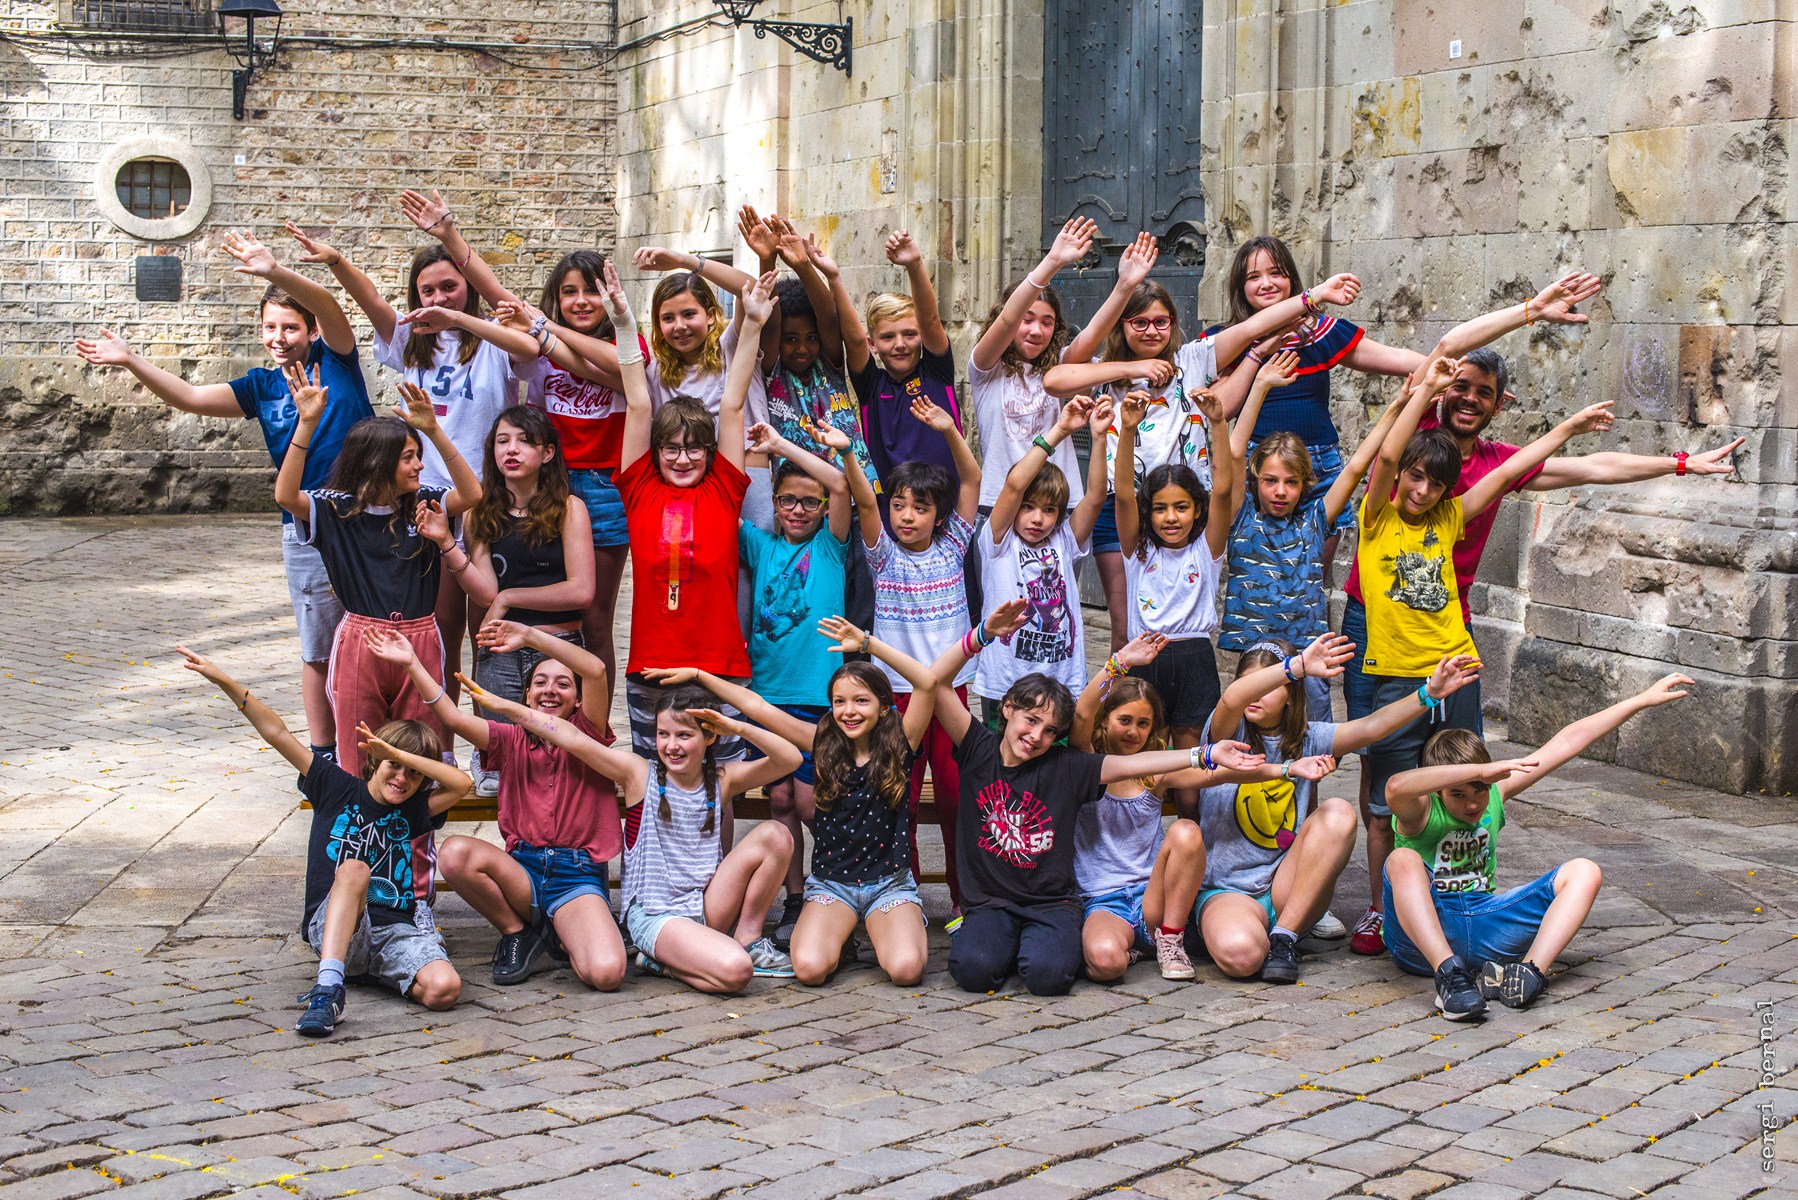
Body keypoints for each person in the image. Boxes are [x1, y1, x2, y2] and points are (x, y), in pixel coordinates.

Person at [1342, 355, 1615, 956]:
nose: (1421, 491)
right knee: (1388, 798)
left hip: (1455, 668)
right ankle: (1384, 909)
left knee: (1467, 779)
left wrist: (1568, 428)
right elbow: (1385, 459)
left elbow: (1510, 471)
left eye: (1434, 485)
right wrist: (1425, 392)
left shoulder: (1449, 519)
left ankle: (1461, 886)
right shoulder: (1377, 517)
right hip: (1396, 678)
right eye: (1414, 478)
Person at [75, 230, 373, 767]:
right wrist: (131, 360)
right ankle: (324, 754)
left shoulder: (337, 360)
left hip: (366, 518)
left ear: (310, 331)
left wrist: (274, 271)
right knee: (318, 648)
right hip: (305, 527)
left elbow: (330, 304)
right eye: (270, 328)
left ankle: (377, 743)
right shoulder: (261, 386)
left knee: (374, 635)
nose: (279, 337)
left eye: (290, 327)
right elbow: (190, 397)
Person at [929, 602, 1264, 996]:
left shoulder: (1069, 766)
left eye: (1050, 730)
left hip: (1053, 904)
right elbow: (936, 683)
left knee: (1049, 977)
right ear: (1007, 709)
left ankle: (1052, 945)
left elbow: (1140, 764)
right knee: (973, 970)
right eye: (1031, 720)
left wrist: (1207, 754)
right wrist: (982, 634)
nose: (1036, 736)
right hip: (995, 903)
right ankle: (1002, 942)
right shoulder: (979, 750)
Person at [1044, 233, 1360, 650]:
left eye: (1161, 322)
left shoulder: (1193, 360)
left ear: (1173, 324)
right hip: (1123, 508)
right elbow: (1055, 379)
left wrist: (1315, 295)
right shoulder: (1106, 372)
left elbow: (1251, 327)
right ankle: (1123, 692)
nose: (1152, 330)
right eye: (1139, 322)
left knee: (1187, 623)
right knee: (1126, 629)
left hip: (1185, 509)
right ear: (1123, 325)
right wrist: (1133, 368)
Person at [284, 210, 529, 724]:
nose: (438, 299)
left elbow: (526, 338)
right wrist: (336, 262)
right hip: (431, 503)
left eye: (449, 287)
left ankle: (491, 746)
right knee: (441, 633)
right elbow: (371, 301)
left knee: (490, 630)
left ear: (468, 289)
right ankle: (442, 744)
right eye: (427, 291)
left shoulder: (492, 339)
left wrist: (461, 308)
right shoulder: (410, 339)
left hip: (489, 498)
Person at [398, 191, 638, 691]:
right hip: (545, 484)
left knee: (593, 620)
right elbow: (495, 293)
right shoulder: (535, 343)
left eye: (591, 291)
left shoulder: (627, 350)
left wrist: (548, 331)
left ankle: (593, 725)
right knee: (521, 606)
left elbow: (620, 371)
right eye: (569, 292)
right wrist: (450, 234)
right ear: (555, 298)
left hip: (605, 488)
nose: (580, 301)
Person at [177, 646, 472, 1038]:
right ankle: (329, 988)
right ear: (374, 759)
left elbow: (462, 784)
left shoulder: (415, 808)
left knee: (444, 990)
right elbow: (277, 733)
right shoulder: (335, 787)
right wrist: (225, 681)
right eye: (393, 765)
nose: (402, 778)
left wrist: (402, 754)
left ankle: (374, 972)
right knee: (354, 869)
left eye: (413, 773)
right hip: (333, 924)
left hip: (395, 932)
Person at [644, 616, 940, 987]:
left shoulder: (901, 742)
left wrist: (867, 644)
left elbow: (927, 683)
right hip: (833, 886)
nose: (849, 711)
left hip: (889, 885)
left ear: (883, 707)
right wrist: (701, 675)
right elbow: (757, 707)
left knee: (906, 970)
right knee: (810, 970)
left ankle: (891, 924)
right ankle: (840, 936)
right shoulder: (822, 743)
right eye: (839, 702)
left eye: (861, 701)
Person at [459, 673, 804, 989]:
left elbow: (790, 759)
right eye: (663, 734)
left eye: (684, 735)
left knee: (776, 835)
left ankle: (747, 938)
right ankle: (663, 963)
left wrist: (737, 727)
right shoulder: (639, 774)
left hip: (705, 904)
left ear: (709, 736)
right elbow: (571, 738)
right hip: (656, 915)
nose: (671, 745)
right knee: (736, 972)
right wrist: (506, 707)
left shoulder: (723, 779)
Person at [1383, 674, 1692, 1019]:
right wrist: (1478, 772)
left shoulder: (1496, 792)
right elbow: (1395, 787)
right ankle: (1450, 978)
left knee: (1584, 871)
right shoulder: (1421, 810)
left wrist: (1639, 700)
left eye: (1479, 791)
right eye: (1459, 794)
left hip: (1486, 923)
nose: (1472, 804)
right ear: (1439, 791)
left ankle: (1527, 974)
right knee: (1401, 859)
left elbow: (1567, 742)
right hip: (1424, 938)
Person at [1197, 635, 1480, 984]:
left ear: (1290, 697)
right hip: (1230, 889)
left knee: (1339, 813)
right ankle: (1244, 930)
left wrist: (1428, 694)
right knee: (1242, 957)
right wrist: (1298, 666)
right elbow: (1231, 699)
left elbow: (1373, 727)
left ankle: (1284, 937)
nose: (1254, 695)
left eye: (1268, 687)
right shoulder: (1227, 732)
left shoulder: (1309, 737)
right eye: (1248, 684)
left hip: (1288, 888)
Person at [367, 622, 625, 991]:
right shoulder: (508, 738)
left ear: (579, 700)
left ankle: (563, 931)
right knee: (454, 852)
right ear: (526, 695)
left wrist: (531, 637)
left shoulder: (589, 732)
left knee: (605, 974)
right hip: (524, 872)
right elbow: (451, 717)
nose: (550, 690)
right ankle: (518, 931)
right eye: (540, 682)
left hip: (576, 877)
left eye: (563, 684)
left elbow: (596, 670)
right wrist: (411, 663)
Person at [273, 374, 483, 783]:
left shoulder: (426, 503)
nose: (419, 465)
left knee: (419, 748)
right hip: (361, 640)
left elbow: (472, 494)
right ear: (377, 462)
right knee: (358, 750)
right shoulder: (334, 509)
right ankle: (358, 822)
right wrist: (306, 424)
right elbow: (285, 496)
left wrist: (434, 431)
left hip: (420, 637)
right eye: (409, 457)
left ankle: (416, 826)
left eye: (418, 455)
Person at [613, 266, 777, 774]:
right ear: (655, 452)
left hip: (719, 666)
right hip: (651, 666)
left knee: (721, 785)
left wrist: (752, 325)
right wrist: (622, 322)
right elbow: (638, 402)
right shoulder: (640, 490)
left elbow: (732, 404)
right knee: (653, 783)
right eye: (670, 449)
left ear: (710, 453)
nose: (682, 459)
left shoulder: (723, 490)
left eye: (693, 449)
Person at [1068, 635, 1304, 982]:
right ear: (1104, 721)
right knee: (1106, 964)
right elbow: (1082, 712)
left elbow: (1221, 774)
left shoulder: (1155, 771)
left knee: (1186, 831)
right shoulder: (1086, 764)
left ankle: (1170, 939)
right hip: (1105, 900)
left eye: (1143, 724)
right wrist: (1118, 663)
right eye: (1124, 720)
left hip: (1153, 898)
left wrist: (1285, 769)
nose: (1133, 731)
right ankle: (1126, 948)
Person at [830, 405, 982, 915]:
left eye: (920, 507)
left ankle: (965, 903)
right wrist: (848, 454)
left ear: (939, 515)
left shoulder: (954, 544)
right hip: (895, 697)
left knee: (957, 800)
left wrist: (950, 430)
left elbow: (972, 479)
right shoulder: (884, 555)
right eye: (899, 506)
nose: (907, 517)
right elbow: (864, 502)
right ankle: (906, 900)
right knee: (901, 800)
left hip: (950, 695)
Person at [1220, 349, 1404, 721]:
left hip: (1310, 657)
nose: (1280, 491)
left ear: (1305, 484)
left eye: (1291, 482)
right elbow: (1235, 452)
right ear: (1256, 480)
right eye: (1270, 481)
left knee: (1313, 740)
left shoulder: (1315, 520)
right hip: (1254, 660)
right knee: (1251, 740)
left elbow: (1356, 466)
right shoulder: (1241, 517)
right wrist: (1260, 385)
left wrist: (1399, 405)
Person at [734, 420, 853, 945]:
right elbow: (731, 497)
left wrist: (780, 445)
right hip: (768, 698)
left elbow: (842, 484)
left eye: (809, 501)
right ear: (776, 503)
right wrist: (753, 453)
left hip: (817, 698)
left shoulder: (831, 547)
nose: (798, 510)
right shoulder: (760, 544)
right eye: (787, 500)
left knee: (811, 803)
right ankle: (796, 897)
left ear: (823, 507)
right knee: (780, 800)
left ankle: (834, 889)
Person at [448, 405, 595, 797]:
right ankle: (486, 762)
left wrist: (510, 597)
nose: (511, 450)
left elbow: (581, 590)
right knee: (503, 775)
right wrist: (448, 545)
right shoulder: (480, 512)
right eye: (502, 441)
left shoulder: (570, 508)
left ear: (547, 453)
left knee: (558, 770)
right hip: (499, 650)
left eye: (524, 441)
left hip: (556, 645)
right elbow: (485, 591)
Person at [1110, 382, 1235, 817]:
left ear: (1197, 509)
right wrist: (1127, 429)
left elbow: (1223, 490)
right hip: (1146, 656)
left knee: (1190, 760)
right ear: (1149, 512)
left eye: (1181, 507)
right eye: (1160, 508)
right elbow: (1122, 493)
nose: (1170, 517)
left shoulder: (1207, 549)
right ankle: (1138, 838)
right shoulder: (1137, 551)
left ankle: (1190, 835)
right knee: (1144, 757)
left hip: (1195, 657)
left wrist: (1217, 423)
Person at [974, 396, 1112, 718]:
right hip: (1005, 682)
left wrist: (1099, 437)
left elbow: (1095, 497)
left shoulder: (1064, 540)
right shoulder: (998, 541)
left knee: (1055, 748)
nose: (1037, 519)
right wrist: (1060, 430)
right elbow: (1014, 485)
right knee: (1004, 750)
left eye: (1049, 510)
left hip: (1059, 682)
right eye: (1028, 506)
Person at [631, 239, 776, 531]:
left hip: (746, 472)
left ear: (710, 315)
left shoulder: (731, 345)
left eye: (689, 314)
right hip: (688, 476)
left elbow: (750, 289)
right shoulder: (656, 371)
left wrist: (686, 261)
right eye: (668, 318)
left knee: (754, 557)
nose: (680, 326)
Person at [967, 216, 1097, 515]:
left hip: (1059, 504)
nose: (1036, 330)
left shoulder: (1058, 367)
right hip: (999, 502)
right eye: (1027, 320)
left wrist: (1126, 285)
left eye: (1046, 322)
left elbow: (1092, 336)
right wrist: (1052, 262)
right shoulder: (985, 368)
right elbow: (1007, 321)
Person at [841, 230, 964, 500]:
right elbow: (853, 340)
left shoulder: (936, 373)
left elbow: (930, 320)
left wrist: (914, 264)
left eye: (909, 334)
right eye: (888, 337)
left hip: (945, 509)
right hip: (889, 511)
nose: (900, 344)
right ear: (873, 343)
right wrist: (833, 277)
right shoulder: (871, 386)